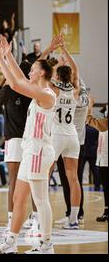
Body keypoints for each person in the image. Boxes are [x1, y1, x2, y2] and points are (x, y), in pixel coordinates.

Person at [0, 35, 56, 254]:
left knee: (40, 199)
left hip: (39, 151)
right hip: (30, 150)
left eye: (33, 69)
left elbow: (17, 84)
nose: (30, 71)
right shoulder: (37, 91)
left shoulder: (47, 95)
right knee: (19, 198)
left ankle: (46, 244)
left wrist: (3, 59)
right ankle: (11, 241)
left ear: (42, 73)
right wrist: (7, 56)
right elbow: (17, 80)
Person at [0, 61, 32, 233]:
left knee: (14, 180)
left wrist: (2, 84)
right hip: (29, 140)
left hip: (14, 140)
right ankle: (34, 219)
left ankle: (11, 219)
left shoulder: (10, 88)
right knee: (31, 181)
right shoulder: (32, 89)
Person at [48, 37, 82, 229]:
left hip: (57, 136)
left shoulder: (54, 90)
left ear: (58, 77)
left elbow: (48, 75)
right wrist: (66, 52)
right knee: (74, 178)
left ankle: (38, 214)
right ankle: (74, 219)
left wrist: (57, 63)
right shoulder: (75, 90)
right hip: (72, 136)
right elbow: (76, 70)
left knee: (44, 175)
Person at [55, 78, 89, 226]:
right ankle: (73, 215)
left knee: (48, 176)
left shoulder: (59, 94)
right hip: (75, 139)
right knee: (74, 179)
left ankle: (37, 216)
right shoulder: (79, 97)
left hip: (61, 137)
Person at [86, 97, 108, 222]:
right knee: (105, 187)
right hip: (102, 158)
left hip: (105, 159)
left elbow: (89, 120)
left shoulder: (104, 123)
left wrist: (89, 107)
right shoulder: (104, 121)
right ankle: (106, 211)